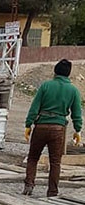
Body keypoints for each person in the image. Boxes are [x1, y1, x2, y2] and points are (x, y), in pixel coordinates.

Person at [23, 58, 82, 197]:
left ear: (55, 71)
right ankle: (52, 191)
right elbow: (77, 114)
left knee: (33, 158)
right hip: (58, 129)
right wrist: (78, 130)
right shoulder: (73, 90)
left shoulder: (45, 86)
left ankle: (29, 185)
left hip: (41, 126)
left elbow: (34, 107)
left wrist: (28, 124)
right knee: (55, 162)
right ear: (68, 74)